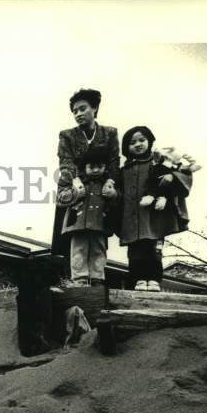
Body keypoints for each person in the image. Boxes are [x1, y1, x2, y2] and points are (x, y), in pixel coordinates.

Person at [118, 125, 194, 291]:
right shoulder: (123, 170)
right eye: (132, 142)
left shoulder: (158, 163)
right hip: (132, 218)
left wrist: (171, 177)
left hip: (154, 217)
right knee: (135, 250)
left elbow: (183, 173)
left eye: (142, 140)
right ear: (126, 147)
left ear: (149, 141)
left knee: (154, 248)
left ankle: (153, 279)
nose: (138, 144)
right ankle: (138, 280)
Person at [52, 88, 120, 260]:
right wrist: (74, 182)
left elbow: (113, 160)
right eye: (75, 111)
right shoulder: (67, 135)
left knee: (98, 235)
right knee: (71, 233)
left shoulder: (109, 133)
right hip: (75, 185)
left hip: (100, 187)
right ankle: (72, 277)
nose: (78, 114)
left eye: (83, 109)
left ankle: (96, 276)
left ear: (95, 108)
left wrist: (110, 181)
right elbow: (65, 161)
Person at [56, 149, 117, 285]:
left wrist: (113, 194)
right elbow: (61, 199)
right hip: (78, 223)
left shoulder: (108, 184)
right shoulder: (76, 183)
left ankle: (97, 277)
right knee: (78, 250)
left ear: (105, 167)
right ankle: (79, 279)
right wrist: (75, 192)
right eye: (91, 167)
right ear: (84, 167)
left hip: (100, 223)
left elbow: (117, 201)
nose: (96, 170)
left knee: (98, 250)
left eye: (100, 167)